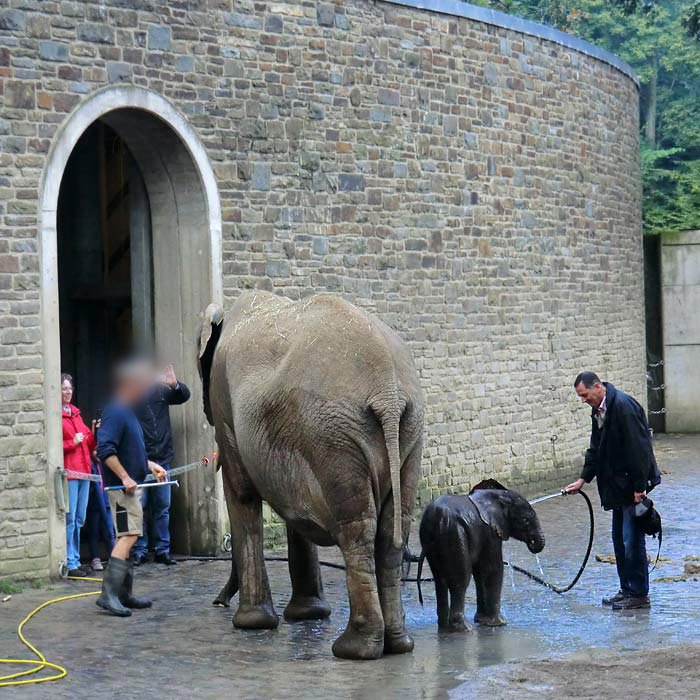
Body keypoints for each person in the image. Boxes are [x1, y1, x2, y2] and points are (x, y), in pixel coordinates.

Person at [564, 372, 660, 611]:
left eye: (584, 395)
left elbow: (639, 449)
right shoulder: (599, 410)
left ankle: (638, 593)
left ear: (598, 387)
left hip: (630, 487)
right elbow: (595, 449)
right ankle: (626, 589)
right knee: (619, 539)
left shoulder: (624, 408)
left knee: (631, 540)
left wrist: (639, 487)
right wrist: (583, 479)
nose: (583, 400)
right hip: (617, 488)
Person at [95, 360, 167, 617]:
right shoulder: (115, 411)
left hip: (130, 487)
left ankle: (124, 594)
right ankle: (109, 594)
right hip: (121, 489)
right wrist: (125, 478)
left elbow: (130, 452)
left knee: (132, 535)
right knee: (127, 536)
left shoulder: (126, 412)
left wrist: (150, 465)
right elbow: (105, 450)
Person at [132, 363, 190, 566]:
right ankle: (140, 549)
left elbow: (183, 396)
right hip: (141, 462)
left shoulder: (161, 391)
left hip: (163, 457)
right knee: (140, 506)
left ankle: (162, 550)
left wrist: (175, 385)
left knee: (163, 506)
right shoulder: (131, 398)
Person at [61, 373, 97, 577]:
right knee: (70, 518)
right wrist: (71, 442)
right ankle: (71, 560)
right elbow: (56, 445)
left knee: (80, 518)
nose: (67, 392)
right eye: (64, 388)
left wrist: (94, 432)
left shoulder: (75, 413)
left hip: (84, 471)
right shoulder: (57, 415)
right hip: (71, 473)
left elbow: (88, 442)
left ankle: (74, 558)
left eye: (69, 388)